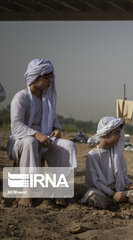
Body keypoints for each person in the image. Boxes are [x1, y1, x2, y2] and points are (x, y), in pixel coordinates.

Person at [7, 59, 77, 207]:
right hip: (22, 141)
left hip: (45, 140)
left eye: (51, 77)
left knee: (68, 145)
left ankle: (58, 189)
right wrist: (36, 134)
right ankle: (27, 191)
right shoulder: (21, 98)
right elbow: (16, 126)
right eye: (46, 77)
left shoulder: (48, 100)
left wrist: (57, 131)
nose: (50, 81)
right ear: (35, 77)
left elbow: (55, 123)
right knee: (30, 142)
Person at [81, 116, 133, 209]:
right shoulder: (92, 155)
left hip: (119, 191)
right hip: (102, 192)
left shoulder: (116, 152)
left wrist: (128, 184)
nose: (119, 137)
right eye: (117, 133)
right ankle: (113, 203)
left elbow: (121, 174)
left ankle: (119, 202)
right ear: (106, 134)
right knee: (93, 197)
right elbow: (96, 182)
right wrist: (112, 194)